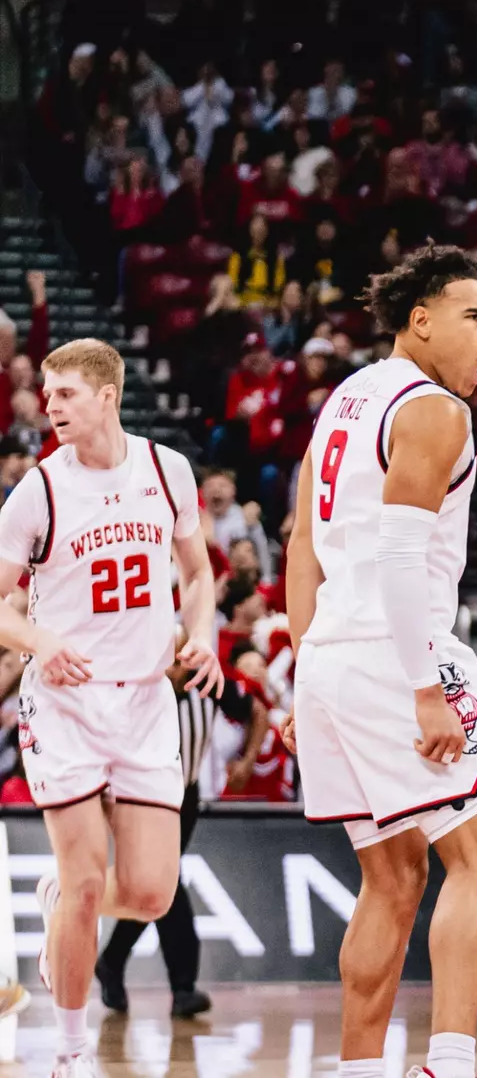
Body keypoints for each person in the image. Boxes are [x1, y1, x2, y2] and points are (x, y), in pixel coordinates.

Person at [281, 245, 477, 1078]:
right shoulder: (433, 411)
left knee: (391, 879)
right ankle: (446, 1067)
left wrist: (300, 668)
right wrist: (426, 690)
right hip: (397, 655)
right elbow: (397, 556)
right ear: (420, 321)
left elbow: (302, 543)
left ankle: (356, 1070)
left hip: (329, 660)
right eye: (475, 316)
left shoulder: (344, 401)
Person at [0, 339, 224, 1078]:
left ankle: (61, 902)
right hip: (64, 703)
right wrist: (38, 638)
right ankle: (69, 1051)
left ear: (106, 395)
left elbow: (196, 574)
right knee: (90, 877)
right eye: (49, 394)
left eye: (64, 394)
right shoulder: (39, 490)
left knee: (153, 894)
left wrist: (204, 634)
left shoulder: (168, 471)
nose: (49, 406)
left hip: (146, 703)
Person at [96, 628, 222, 1018]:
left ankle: (113, 963)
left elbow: (251, 707)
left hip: (187, 799)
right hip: (143, 797)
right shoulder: (136, 692)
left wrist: (249, 756)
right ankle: (182, 987)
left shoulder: (210, 683)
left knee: (160, 886)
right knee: (165, 886)